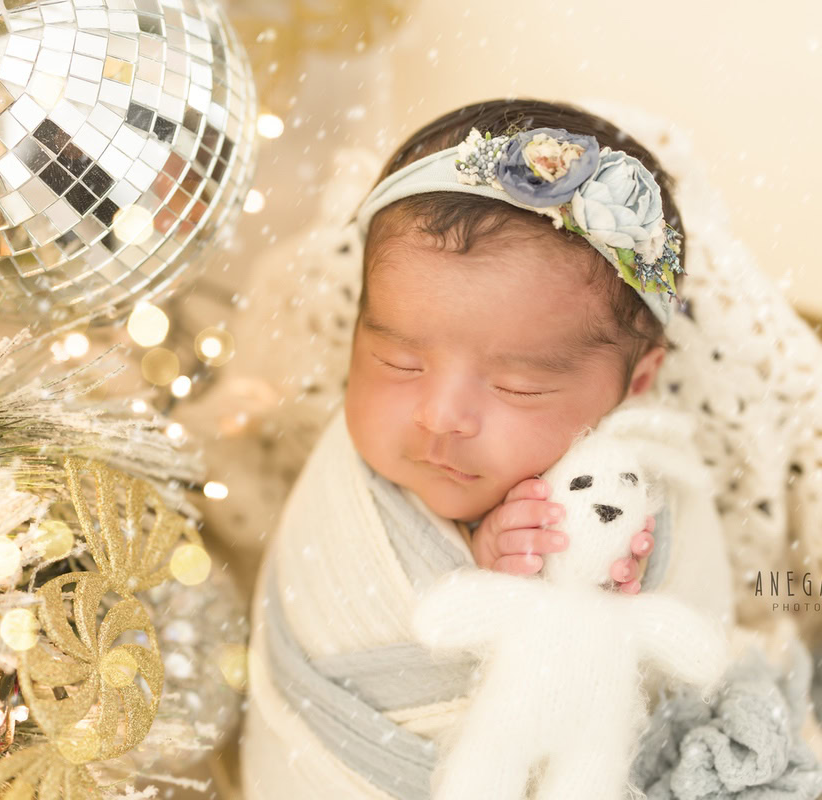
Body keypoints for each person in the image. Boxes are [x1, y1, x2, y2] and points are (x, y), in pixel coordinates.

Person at [240, 98, 734, 799]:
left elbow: (671, 646)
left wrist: (595, 575)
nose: (440, 416)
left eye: (518, 386)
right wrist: (478, 568)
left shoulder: (644, 492)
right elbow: (373, 619)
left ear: (637, 384)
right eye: (398, 363)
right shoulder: (350, 493)